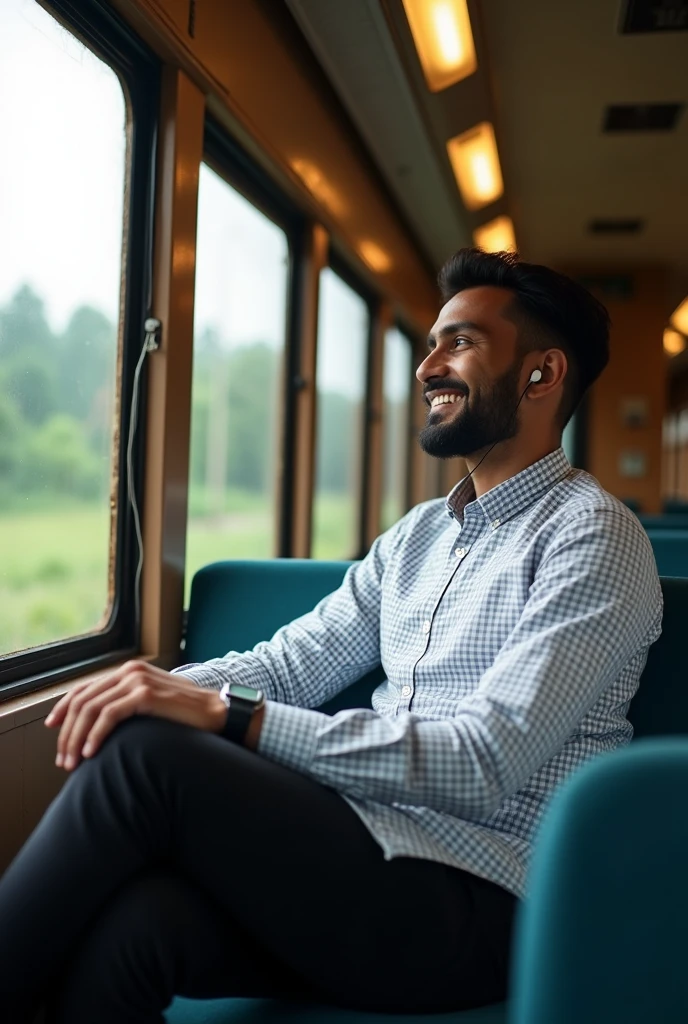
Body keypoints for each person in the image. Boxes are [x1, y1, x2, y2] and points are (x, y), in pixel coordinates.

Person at [0, 249, 662, 1024]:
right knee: (142, 927)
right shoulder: (418, 536)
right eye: (430, 344)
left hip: (485, 903)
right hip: (373, 853)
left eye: (461, 343)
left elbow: (484, 761)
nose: (427, 368)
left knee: (148, 759)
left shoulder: (593, 537)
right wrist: (159, 685)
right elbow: (288, 664)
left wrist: (225, 716)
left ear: (541, 376)